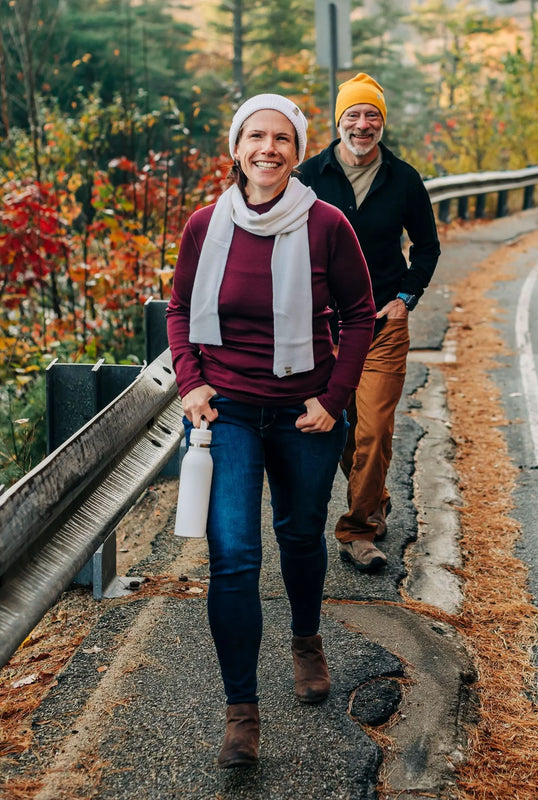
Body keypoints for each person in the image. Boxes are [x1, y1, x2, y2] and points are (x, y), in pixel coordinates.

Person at [166, 94, 375, 768]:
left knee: (299, 532)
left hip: (304, 412)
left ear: (296, 149)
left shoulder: (326, 225)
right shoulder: (204, 225)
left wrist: (333, 398)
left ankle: (306, 638)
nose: (268, 149)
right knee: (232, 556)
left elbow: (360, 315)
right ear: (236, 148)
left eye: (281, 138)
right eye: (255, 136)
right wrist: (191, 379)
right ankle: (241, 713)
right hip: (227, 411)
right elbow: (178, 307)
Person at [297, 73, 441, 572]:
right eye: (353, 115)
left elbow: (427, 246)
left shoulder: (403, 179)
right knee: (340, 428)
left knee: (375, 429)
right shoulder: (307, 177)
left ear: (382, 122)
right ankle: (374, 498)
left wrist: (406, 296)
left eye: (372, 115)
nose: (363, 125)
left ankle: (358, 530)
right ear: (339, 121)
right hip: (324, 330)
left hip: (381, 324)